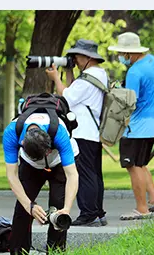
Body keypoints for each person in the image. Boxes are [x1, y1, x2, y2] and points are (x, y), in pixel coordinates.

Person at [3, 108, 79, 255]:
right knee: (22, 210)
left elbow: (72, 175)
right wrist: (29, 205)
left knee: (58, 208)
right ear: (22, 144)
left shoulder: (58, 132)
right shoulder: (11, 133)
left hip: (59, 163)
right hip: (30, 166)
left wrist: (66, 209)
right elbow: (12, 176)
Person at [46, 38, 109, 227]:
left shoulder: (88, 78)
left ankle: (88, 213)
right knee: (95, 173)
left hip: (83, 133)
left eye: (76, 57)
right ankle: (97, 212)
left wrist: (56, 78)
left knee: (85, 174)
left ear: (86, 57)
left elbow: (66, 98)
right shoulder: (98, 74)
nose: (75, 59)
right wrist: (68, 71)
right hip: (92, 132)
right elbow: (74, 91)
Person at [108, 32, 154, 220]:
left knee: (132, 166)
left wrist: (115, 92)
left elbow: (129, 102)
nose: (121, 57)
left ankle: (141, 208)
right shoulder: (153, 62)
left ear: (129, 53)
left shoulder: (134, 71)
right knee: (141, 164)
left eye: (122, 53)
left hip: (137, 127)